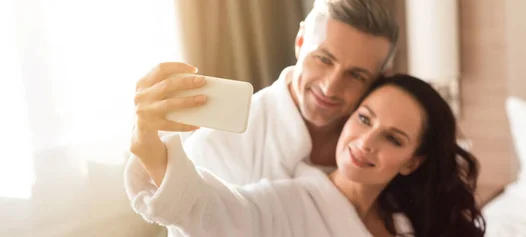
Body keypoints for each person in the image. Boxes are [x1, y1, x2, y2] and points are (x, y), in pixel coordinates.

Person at [126, 74, 487, 237]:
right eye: (364, 119)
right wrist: (149, 145)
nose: (365, 141)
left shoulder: (405, 219)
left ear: (413, 161)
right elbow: (214, 212)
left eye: (392, 138)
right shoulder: (290, 203)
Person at [129, 0, 399, 187]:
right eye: (324, 59)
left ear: (377, 79)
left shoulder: (383, 152)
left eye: (356, 75)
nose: (330, 87)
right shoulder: (221, 143)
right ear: (301, 41)